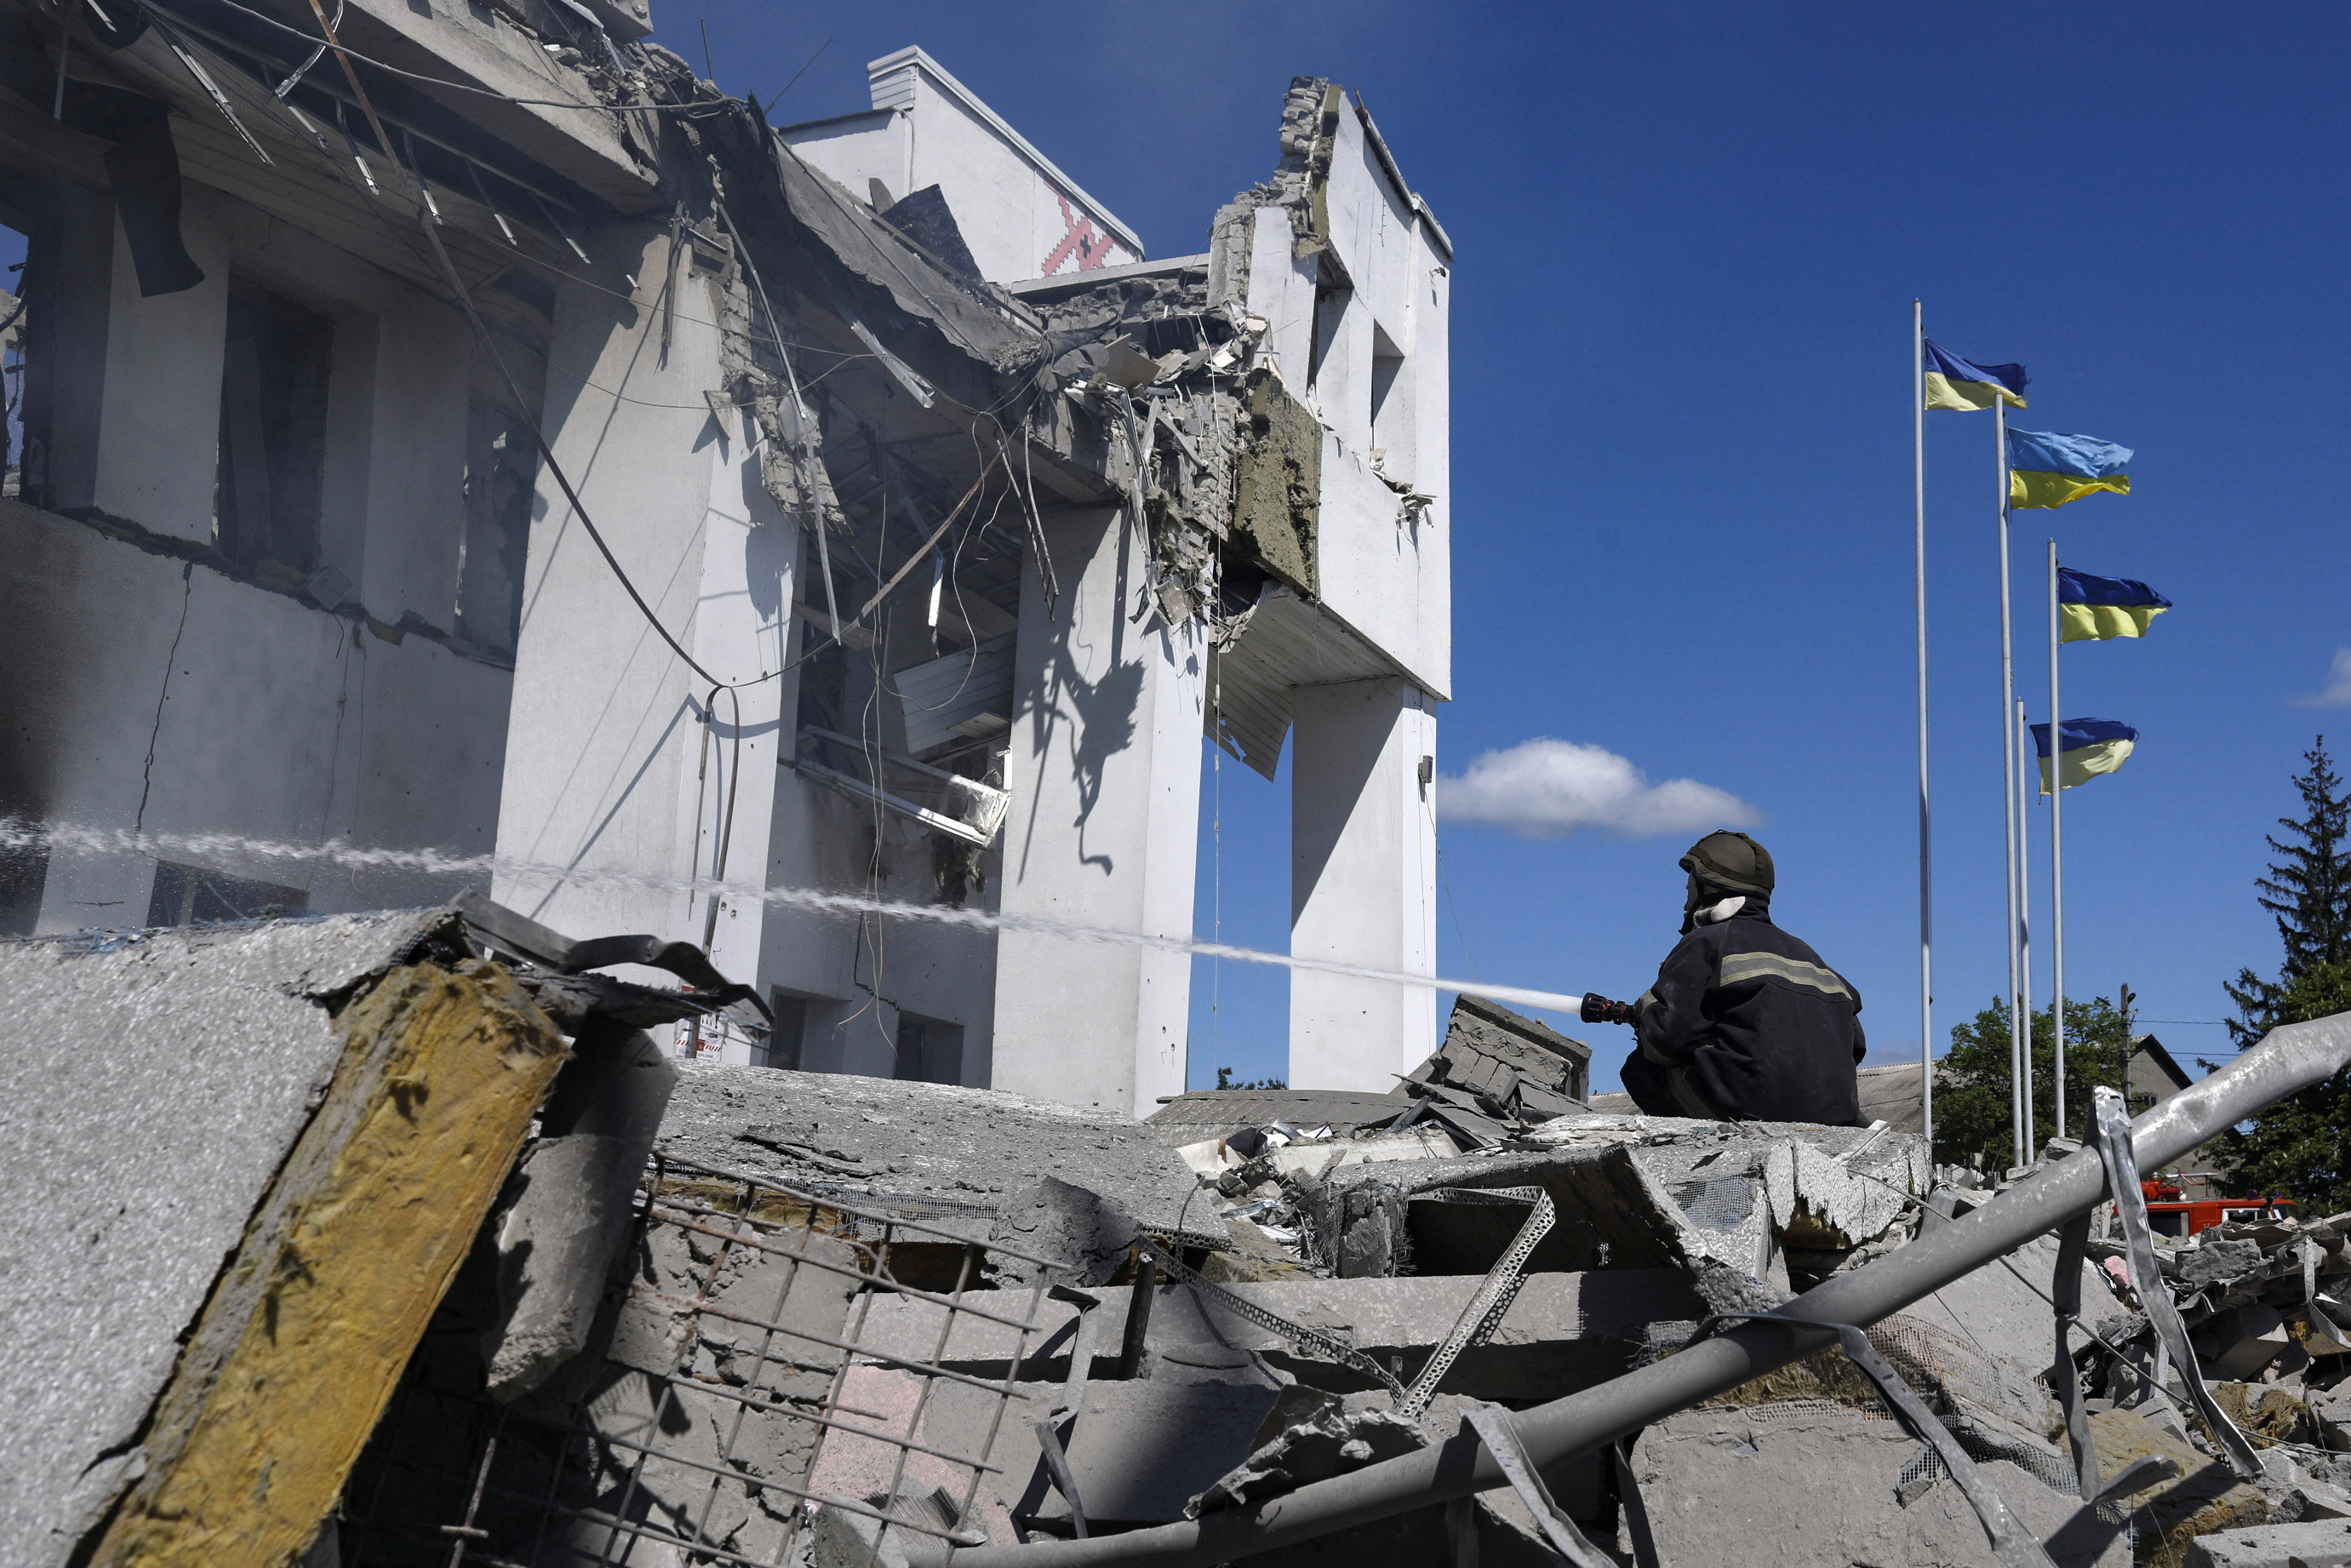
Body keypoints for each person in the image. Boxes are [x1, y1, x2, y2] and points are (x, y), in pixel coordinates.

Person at [1580, 831, 1864, 1124]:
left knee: (1641, 1068)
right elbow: (1855, 1047)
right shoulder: (1811, 957)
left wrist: (1645, 1012)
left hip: (1751, 1114)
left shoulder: (1707, 942)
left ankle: (1700, 1150)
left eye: (1690, 893)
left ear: (1711, 890)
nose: (1685, 906)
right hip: (1835, 1117)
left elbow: (1667, 1040)